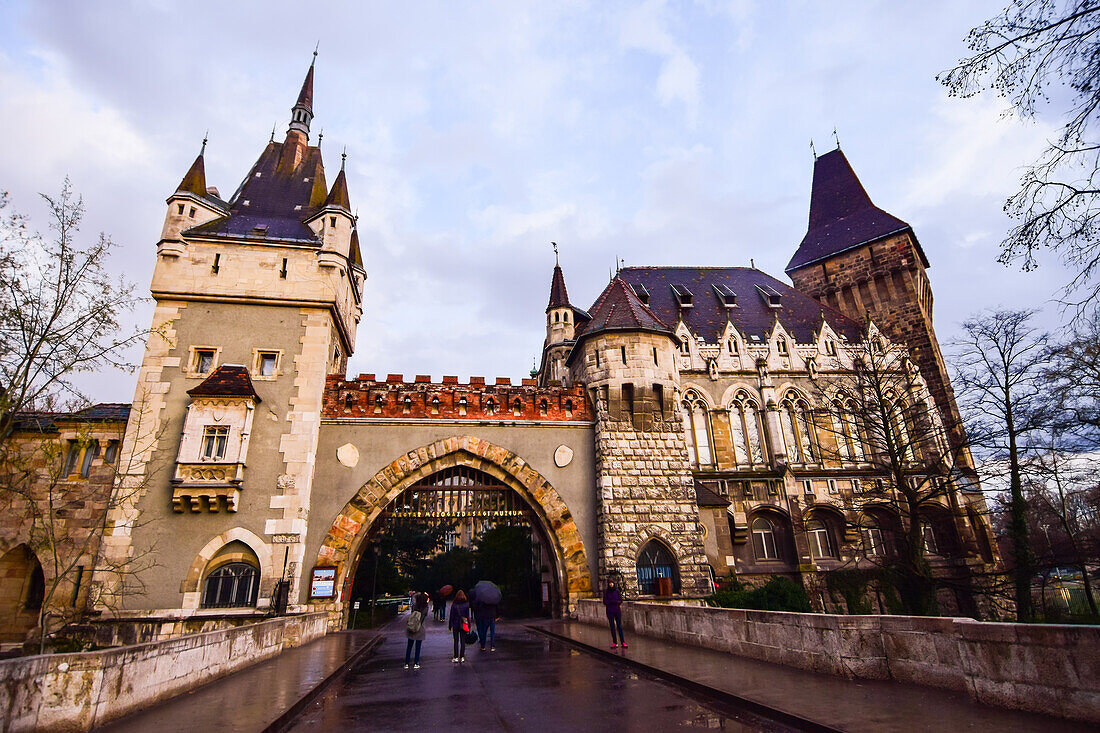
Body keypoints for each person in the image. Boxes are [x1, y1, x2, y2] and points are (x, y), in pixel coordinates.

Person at [404, 591, 429, 669]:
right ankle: (416, 663)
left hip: (412, 626)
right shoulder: (426, 607)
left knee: (409, 646)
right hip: (420, 627)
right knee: (418, 646)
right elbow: (425, 616)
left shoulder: (414, 606)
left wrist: (419, 594)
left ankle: (406, 663)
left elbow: (414, 597)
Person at [448, 589, 471, 663]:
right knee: (463, 641)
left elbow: (451, 615)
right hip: (463, 624)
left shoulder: (454, 605)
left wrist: (450, 624)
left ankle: (455, 657)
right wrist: (469, 625)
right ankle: (462, 656)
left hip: (455, 623)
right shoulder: (466, 604)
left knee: (456, 641)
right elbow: (467, 616)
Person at [603, 580, 627, 649]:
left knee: (619, 626)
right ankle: (615, 642)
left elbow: (620, 600)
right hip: (610, 610)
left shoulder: (616, 591)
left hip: (616, 610)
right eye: (610, 583)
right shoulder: (607, 592)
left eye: (612, 583)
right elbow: (605, 601)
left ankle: (623, 642)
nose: (611, 585)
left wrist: (615, 602)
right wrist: (611, 602)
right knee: (612, 627)